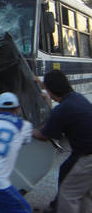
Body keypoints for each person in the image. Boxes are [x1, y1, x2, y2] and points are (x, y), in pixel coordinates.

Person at [33, 70, 92, 213]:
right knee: (82, 190)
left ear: (50, 91)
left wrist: (27, 130)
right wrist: (42, 85)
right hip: (86, 153)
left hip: (87, 156)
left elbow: (44, 135)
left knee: (68, 194)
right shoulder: (77, 98)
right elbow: (58, 119)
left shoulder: (63, 109)